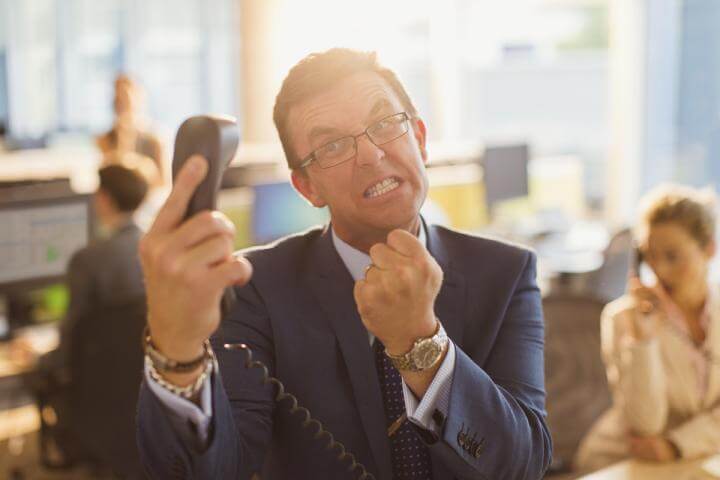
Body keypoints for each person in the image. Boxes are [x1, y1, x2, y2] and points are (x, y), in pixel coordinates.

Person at [136, 48, 551, 479]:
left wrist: (421, 347)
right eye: (332, 145)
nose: (371, 155)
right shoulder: (253, 287)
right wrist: (178, 352)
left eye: (386, 123)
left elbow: (522, 466)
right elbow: (212, 471)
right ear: (307, 187)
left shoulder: (506, 273)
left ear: (420, 139)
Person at [575, 184, 720, 473]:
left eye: (672, 256)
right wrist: (645, 340)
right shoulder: (621, 318)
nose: (660, 270)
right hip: (621, 462)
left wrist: (676, 444)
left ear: (709, 249)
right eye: (650, 256)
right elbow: (646, 424)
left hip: (688, 460)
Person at [25, 160, 153, 469]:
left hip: (98, 400)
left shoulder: (88, 260)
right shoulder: (157, 247)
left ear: (104, 198)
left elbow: (69, 346)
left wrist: (35, 357)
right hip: (147, 393)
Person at [96, 74, 165, 183]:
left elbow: (163, 183)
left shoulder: (156, 139)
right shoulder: (104, 139)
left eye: (126, 99)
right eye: (118, 99)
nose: (122, 105)